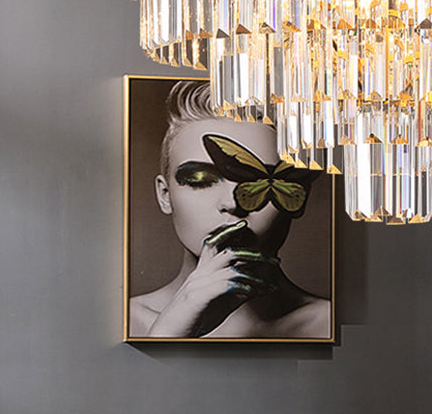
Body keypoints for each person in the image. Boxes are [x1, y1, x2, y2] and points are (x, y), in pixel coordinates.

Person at [128, 80, 331, 339]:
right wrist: (167, 334)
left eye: (259, 182)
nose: (233, 203)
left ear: (298, 195)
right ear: (165, 195)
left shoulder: (329, 324)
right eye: (200, 180)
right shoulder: (127, 322)